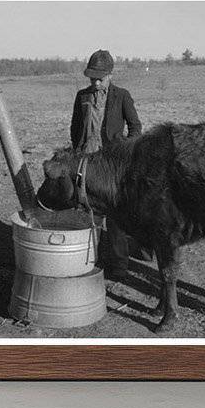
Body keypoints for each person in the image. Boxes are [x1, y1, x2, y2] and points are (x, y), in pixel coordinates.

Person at [70, 49, 141, 280]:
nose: (96, 82)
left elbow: (135, 127)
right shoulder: (82, 96)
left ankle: (119, 264)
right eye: (92, 78)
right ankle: (89, 258)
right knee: (87, 213)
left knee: (115, 216)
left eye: (100, 78)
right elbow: (74, 128)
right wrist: (77, 153)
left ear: (110, 75)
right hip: (86, 164)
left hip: (111, 168)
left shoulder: (122, 96)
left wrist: (124, 153)